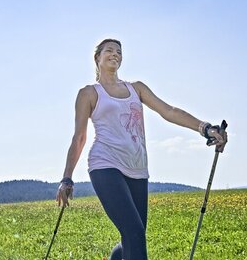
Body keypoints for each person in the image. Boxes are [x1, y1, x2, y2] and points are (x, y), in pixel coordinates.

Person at [55, 38, 227, 260]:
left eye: (119, 51)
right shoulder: (89, 93)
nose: (115, 54)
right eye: (109, 50)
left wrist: (204, 128)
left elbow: (169, 111)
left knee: (133, 236)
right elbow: (79, 137)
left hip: (137, 168)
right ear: (97, 57)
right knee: (134, 232)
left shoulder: (136, 88)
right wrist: (67, 178)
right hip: (105, 165)